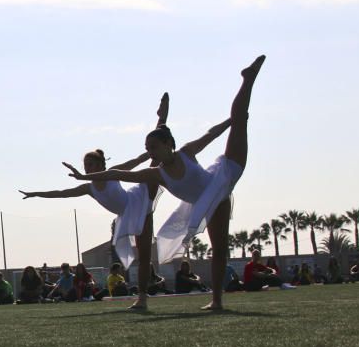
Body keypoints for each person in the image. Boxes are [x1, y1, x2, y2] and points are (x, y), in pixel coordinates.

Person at [69, 55, 266, 311]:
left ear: (167, 145)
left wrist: (230, 122)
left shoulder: (185, 152)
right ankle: (216, 300)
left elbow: (209, 134)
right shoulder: (157, 173)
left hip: (223, 179)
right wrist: (85, 178)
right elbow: (120, 174)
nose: (150, 152)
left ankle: (248, 79)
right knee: (219, 249)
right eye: (146, 148)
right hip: (207, 202)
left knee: (240, 120)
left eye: (153, 147)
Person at [22, 93, 168, 310]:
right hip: (127, 215)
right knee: (142, 257)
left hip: (139, 200)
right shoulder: (89, 188)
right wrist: (36, 194)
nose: (88, 169)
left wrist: (149, 152)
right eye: (86, 166)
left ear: (101, 165)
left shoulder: (112, 173)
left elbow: (137, 160)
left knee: (155, 162)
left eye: (91, 165)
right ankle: (143, 298)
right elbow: (62, 192)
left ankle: (162, 119)